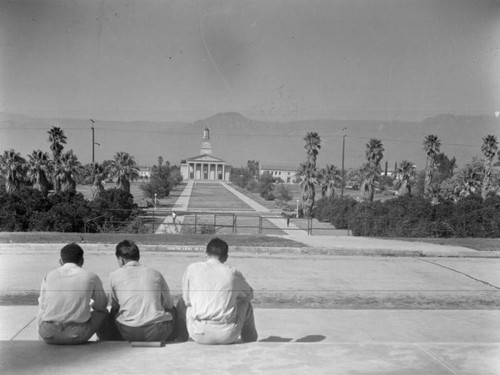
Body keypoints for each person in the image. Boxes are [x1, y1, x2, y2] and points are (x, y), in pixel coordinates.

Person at [177, 237, 258, 344]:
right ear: (226, 257)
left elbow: (187, 301)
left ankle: (182, 338)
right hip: (227, 335)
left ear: (206, 253)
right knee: (245, 304)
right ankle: (250, 340)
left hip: (198, 333)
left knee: (181, 302)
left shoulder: (192, 268)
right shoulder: (233, 273)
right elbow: (249, 295)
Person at [37, 243, 108, 345]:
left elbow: (42, 304)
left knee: (40, 310)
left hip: (48, 335)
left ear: (60, 261)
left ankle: (40, 339)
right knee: (103, 313)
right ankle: (103, 342)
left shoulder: (49, 275)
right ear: (82, 260)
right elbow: (101, 305)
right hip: (77, 335)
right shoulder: (91, 277)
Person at [105, 240, 176, 342]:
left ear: (121, 260)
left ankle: (114, 341)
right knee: (173, 311)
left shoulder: (114, 276)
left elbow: (115, 305)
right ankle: (174, 341)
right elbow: (169, 305)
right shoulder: (156, 274)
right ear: (138, 257)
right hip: (157, 332)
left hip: (128, 332)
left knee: (113, 312)